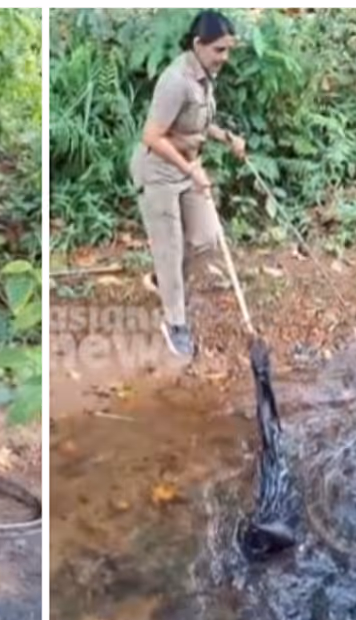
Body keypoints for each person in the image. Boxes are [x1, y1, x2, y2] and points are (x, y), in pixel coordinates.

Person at [130, 10, 247, 359]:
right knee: (169, 248)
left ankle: (164, 280)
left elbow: (195, 124)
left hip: (186, 167)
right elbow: (151, 136)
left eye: (228, 50)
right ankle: (175, 322)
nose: (225, 58)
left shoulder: (205, 75)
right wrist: (191, 168)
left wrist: (227, 137)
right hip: (159, 172)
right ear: (198, 44)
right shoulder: (175, 80)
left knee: (205, 238)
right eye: (219, 50)